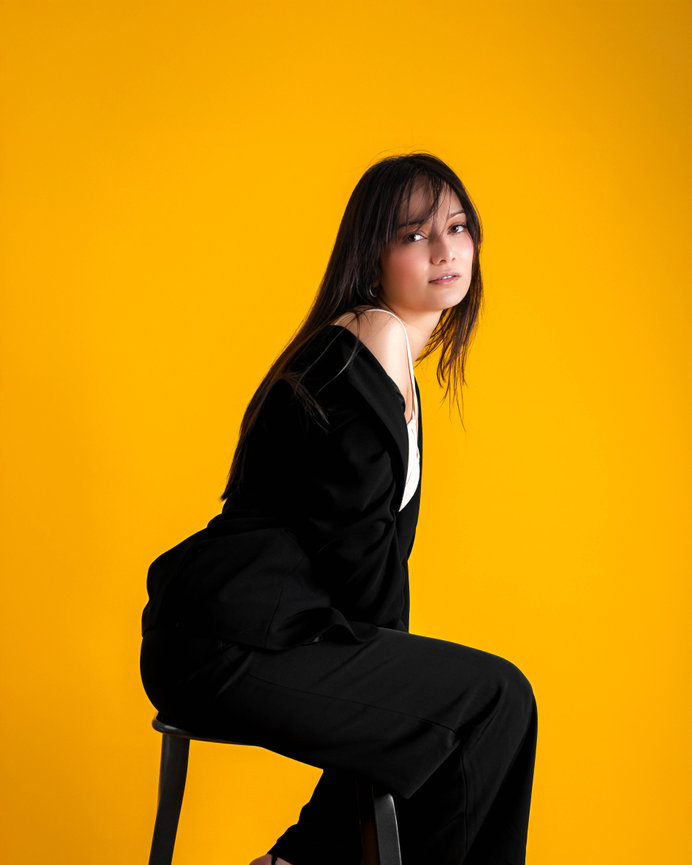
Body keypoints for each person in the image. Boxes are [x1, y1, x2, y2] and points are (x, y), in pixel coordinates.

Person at [140, 152, 538, 865]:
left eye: (458, 226)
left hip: (257, 635)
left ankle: (294, 859)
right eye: (414, 234)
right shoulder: (370, 337)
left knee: (472, 706)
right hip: (228, 640)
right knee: (493, 699)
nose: (446, 249)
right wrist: (403, 669)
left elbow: (364, 580)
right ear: (372, 253)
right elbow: (361, 558)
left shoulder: (385, 361)